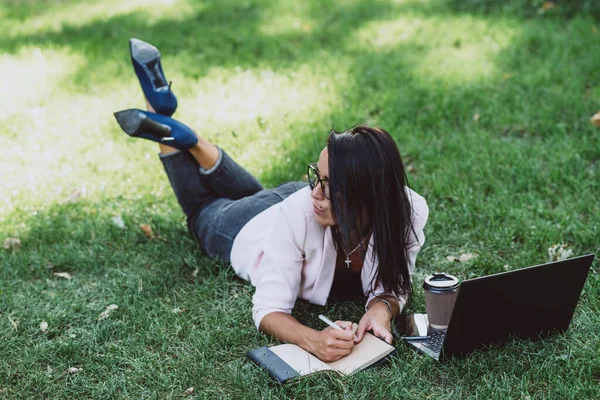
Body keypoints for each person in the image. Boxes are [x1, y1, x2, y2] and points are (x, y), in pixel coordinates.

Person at [114, 39, 429, 363]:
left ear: (370, 195)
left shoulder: (409, 210)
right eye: (316, 177)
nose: (315, 193)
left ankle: (188, 137)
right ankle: (173, 129)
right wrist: (313, 340)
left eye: (330, 187)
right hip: (248, 229)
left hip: (278, 208)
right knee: (200, 212)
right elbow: (269, 310)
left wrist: (381, 310)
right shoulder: (305, 205)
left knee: (252, 196)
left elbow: (395, 284)